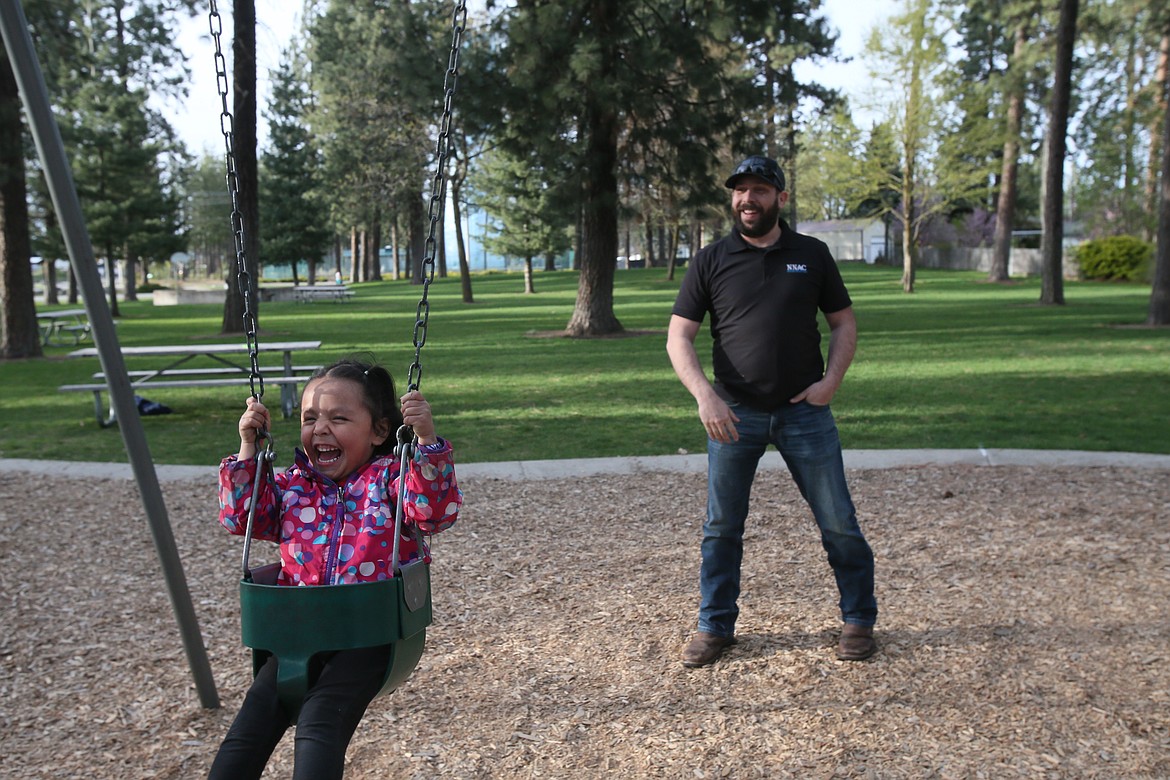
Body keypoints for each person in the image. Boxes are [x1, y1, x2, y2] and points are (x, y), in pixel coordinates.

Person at [666, 155, 878, 668]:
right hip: (732, 415)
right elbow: (679, 336)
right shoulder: (711, 259)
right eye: (740, 191)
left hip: (804, 413)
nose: (747, 200)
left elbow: (844, 324)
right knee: (721, 527)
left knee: (839, 522)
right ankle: (715, 626)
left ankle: (858, 619)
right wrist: (705, 397)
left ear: (780, 198)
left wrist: (831, 381)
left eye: (759, 190)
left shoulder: (811, 254)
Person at [208, 357, 462, 780]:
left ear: (380, 430)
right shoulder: (291, 486)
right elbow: (240, 517)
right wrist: (249, 447)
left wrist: (426, 439)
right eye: (310, 418)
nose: (320, 429)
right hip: (299, 633)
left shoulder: (390, 480)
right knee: (248, 729)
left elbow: (435, 512)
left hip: (368, 635)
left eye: (339, 418)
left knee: (319, 721)